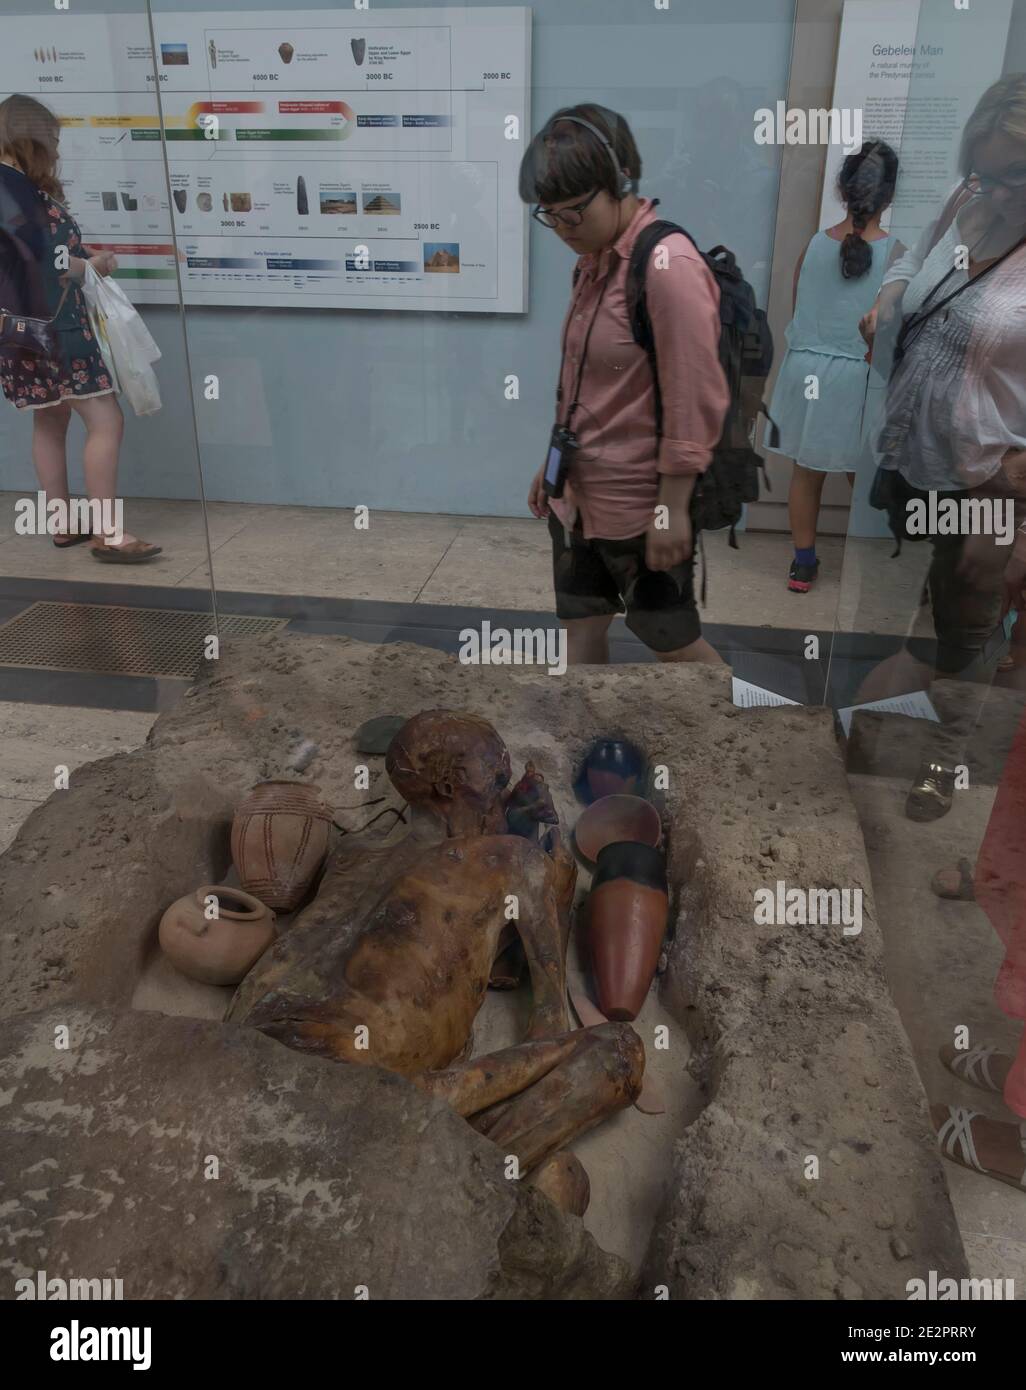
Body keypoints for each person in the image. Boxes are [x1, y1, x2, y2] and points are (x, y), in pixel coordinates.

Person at [856, 75, 1026, 821]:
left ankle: (945, 761)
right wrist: (890, 299)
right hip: (920, 458)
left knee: (967, 617)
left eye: (1005, 176)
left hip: (991, 480)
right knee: (937, 598)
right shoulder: (966, 202)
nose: (987, 188)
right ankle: (909, 701)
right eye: (979, 169)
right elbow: (908, 260)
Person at [519, 104, 729, 666]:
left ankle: (742, 739)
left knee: (675, 645)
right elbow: (583, 380)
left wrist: (673, 510)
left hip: (639, 505)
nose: (562, 230)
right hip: (579, 499)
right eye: (550, 216)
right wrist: (552, 461)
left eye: (574, 213)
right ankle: (578, 742)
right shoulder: (593, 259)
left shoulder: (668, 267)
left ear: (620, 184)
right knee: (582, 630)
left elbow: (694, 398)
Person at [0, 94, 160, 561]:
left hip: (16, 331)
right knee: (105, 420)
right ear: (34, 138)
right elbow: (44, 262)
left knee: (51, 417)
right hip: (56, 327)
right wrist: (95, 266)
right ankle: (109, 534)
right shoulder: (16, 189)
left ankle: (63, 522)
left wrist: (80, 259)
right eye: (51, 139)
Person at [766, 140, 899, 592]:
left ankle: (802, 563)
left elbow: (796, 309)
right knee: (862, 475)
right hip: (856, 378)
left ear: (842, 190)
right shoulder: (898, 254)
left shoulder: (814, 244)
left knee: (808, 472)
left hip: (806, 371)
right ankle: (876, 563)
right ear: (890, 195)